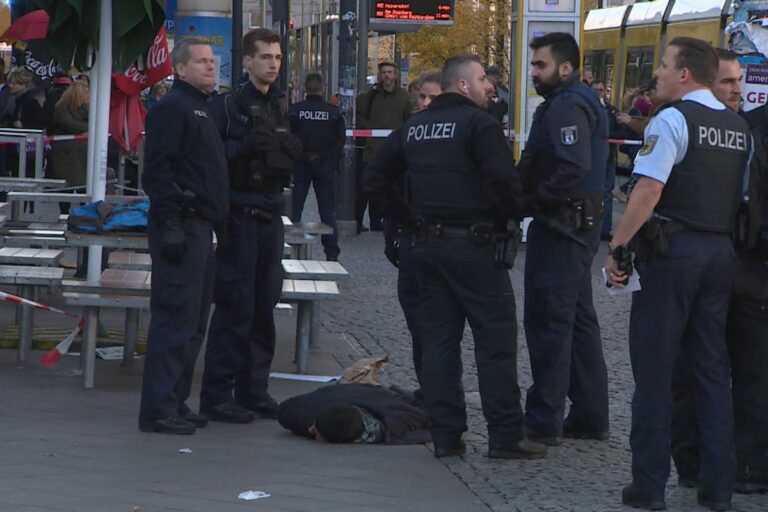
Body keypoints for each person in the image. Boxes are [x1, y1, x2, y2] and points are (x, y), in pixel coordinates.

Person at [364, 54, 546, 461]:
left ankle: (446, 436)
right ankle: (505, 436)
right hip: (475, 248)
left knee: (439, 344)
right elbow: (505, 185)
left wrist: (407, 217)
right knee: (495, 343)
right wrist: (513, 212)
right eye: (483, 79)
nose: (489, 86)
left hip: (427, 247)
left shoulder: (415, 127)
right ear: (463, 85)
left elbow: (374, 178)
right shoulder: (480, 126)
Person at [606, 38, 751, 511]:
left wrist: (618, 246)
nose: (659, 75)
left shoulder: (673, 119)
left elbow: (648, 189)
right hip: (719, 255)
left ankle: (648, 486)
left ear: (685, 74)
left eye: (665, 66)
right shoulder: (737, 128)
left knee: (655, 371)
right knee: (711, 372)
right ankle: (717, 486)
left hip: (673, 256)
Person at [671, 47, 768, 496]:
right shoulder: (745, 129)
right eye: (726, 82)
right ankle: (728, 465)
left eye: (736, 82)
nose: (733, 90)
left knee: (727, 367)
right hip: (732, 263)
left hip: (741, 263)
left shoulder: (749, 127)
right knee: (717, 367)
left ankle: (717, 465)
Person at [200, 28, 302, 424]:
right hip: (239, 216)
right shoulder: (226, 107)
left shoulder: (278, 105)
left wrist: (293, 153)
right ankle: (217, 394)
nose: (273, 64)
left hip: (269, 215)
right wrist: (242, 147)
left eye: (276, 57)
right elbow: (209, 158)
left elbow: (280, 160)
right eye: (265, 57)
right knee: (234, 307)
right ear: (247, 62)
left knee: (264, 305)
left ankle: (253, 389)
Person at [519, 32, 609, 447]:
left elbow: (573, 166)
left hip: (561, 226)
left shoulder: (567, 104)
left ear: (565, 68)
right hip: (576, 224)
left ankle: (543, 420)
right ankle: (590, 414)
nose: (534, 72)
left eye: (540, 65)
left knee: (549, 321)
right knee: (578, 319)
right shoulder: (577, 100)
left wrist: (536, 198)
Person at [138, 38, 229, 435]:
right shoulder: (173, 108)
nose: (211, 67)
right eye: (202, 62)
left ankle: (175, 400)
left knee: (193, 323)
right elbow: (157, 171)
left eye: (213, 61)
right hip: (182, 226)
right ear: (181, 68)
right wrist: (173, 221)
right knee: (174, 319)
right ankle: (158, 409)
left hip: (202, 226)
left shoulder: (201, 108)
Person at [382, 70, 442, 395]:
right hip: (411, 237)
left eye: (434, 97)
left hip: (445, 241)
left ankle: (440, 393)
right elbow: (386, 181)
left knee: (438, 325)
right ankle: (429, 388)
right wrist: (395, 226)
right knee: (418, 321)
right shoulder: (409, 134)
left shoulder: (462, 133)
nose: (427, 103)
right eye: (422, 97)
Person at [288, 71, 345, 261]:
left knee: (294, 208)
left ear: (305, 88)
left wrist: (301, 156)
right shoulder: (334, 113)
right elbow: (339, 141)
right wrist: (326, 158)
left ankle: (288, 247)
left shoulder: (295, 111)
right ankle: (332, 253)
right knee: (327, 211)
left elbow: (287, 138)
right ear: (323, 88)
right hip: (324, 166)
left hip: (300, 164)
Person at [356, 62, 412, 233]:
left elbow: (408, 120)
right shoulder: (372, 95)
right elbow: (360, 115)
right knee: (365, 187)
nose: (386, 76)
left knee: (389, 187)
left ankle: (381, 221)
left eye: (389, 72)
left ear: (395, 75)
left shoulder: (404, 96)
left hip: (393, 151)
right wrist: (368, 129)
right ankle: (359, 221)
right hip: (371, 149)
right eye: (383, 73)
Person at [277, 383, 431, 445]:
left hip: (376, 396)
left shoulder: (399, 421)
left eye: (316, 432)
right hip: (344, 393)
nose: (310, 430)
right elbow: (284, 410)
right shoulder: (305, 414)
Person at [592, 79, 623, 240]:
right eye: (596, 90)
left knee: (607, 193)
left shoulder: (612, 111)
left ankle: (605, 228)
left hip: (608, 158)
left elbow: (621, 132)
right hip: (592, 159)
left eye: (601, 90)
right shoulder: (586, 109)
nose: (599, 93)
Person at [49, 80, 89, 188]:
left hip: (83, 150)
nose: (89, 96)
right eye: (86, 93)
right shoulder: (62, 108)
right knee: (68, 183)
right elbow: (70, 125)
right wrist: (90, 128)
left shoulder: (87, 109)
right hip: (66, 150)